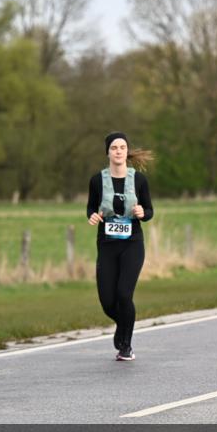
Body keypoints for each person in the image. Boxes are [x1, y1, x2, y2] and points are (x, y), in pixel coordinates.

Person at [86, 132, 154, 361]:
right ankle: (122, 325)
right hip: (107, 246)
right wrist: (92, 217)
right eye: (114, 147)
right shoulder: (97, 180)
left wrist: (142, 213)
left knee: (124, 295)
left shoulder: (139, 180)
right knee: (107, 302)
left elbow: (149, 211)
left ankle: (126, 344)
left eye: (122, 147)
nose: (118, 151)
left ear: (127, 151)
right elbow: (91, 208)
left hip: (132, 244)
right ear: (107, 152)